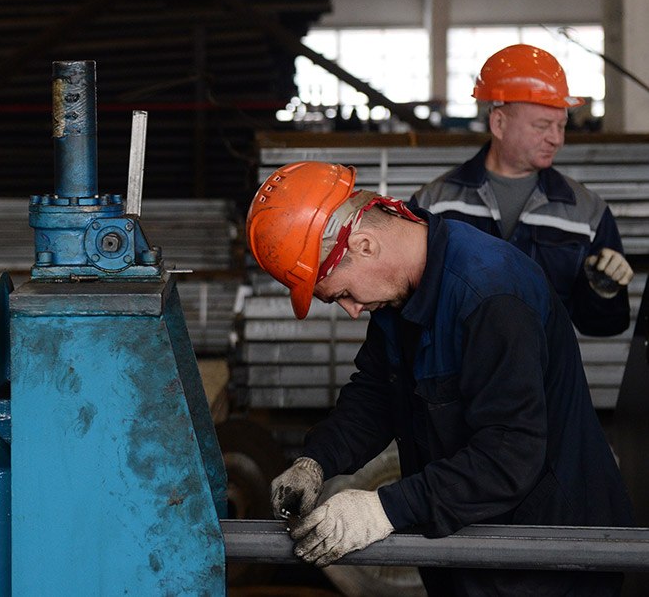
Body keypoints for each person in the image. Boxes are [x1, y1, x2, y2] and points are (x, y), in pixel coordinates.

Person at [248, 160, 632, 597]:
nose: (352, 310)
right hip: (469, 543)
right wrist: (315, 462)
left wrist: (383, 510)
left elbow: (510, 456)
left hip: (546, 555)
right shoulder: (402, 293)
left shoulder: (491, 297)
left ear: (365, 245)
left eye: (343, 294)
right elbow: (377, 394)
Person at [411, 44, 633, 337]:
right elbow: (407, 309)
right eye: (543, 126)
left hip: (544, 380)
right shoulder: (434, 206)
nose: (556, 139)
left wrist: (605, 290)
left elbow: (605, 326)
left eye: (562, 126)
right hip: (456, 381)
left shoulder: (587, 213)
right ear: (499, 124)